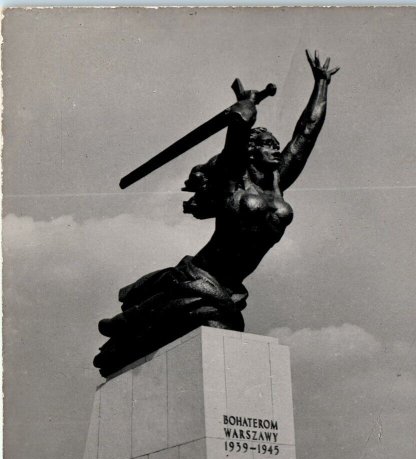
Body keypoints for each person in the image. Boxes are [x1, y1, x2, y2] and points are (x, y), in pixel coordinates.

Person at [94, 51, 339, 377]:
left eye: (276, 143)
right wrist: (247, 105)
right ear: (252, 150)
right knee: (154, 333)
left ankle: (131, 318)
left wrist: (321, 84)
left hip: (230, 288)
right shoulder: (234, 181)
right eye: (267, 143)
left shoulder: (278, 184)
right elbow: (239, 126)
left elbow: (306, 132)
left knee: (212, 331)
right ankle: (128, 317)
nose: (275, 148)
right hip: (201, 278)